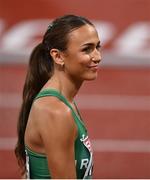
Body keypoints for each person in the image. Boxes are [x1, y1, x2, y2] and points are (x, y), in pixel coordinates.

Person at [15, 14, 102, 179]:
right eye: (87, 49)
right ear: (58, 56)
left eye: (98, 46)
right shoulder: (55, 111)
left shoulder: (62, 102)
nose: (97, 56)